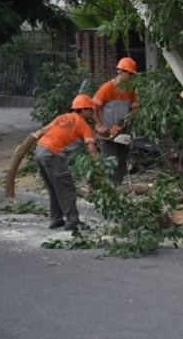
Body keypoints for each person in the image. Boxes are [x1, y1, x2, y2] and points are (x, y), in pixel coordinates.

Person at [32, 94, 98, 232]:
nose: (92, 113)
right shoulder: (83, 124)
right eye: (91, 110)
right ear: (84, 110)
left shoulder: (62, 117)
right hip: (53, 154)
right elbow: (91, 147)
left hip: (39, 151)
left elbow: (43, 130)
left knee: (54, 188)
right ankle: (73, 221)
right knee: (66, 188)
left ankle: (56, 219)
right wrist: (98, 165)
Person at [92, 56, 139, 185]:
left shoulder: (130, 89)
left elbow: (135, 106)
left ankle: (117, 186)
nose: (131, 78)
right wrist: (100, 125)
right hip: (108, 132)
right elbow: (93, 107)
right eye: (130, 74)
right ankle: (107, 188)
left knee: (122, 161)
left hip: (123, 130)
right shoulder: (107, 88)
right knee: (109, 161)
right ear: (122, 72)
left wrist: (129, 119)